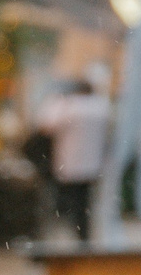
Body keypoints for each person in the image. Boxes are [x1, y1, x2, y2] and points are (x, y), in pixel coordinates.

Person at [33, 69, 112, 241]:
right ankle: (84, 234)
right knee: (85, 203)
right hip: (92, 164)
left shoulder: (68, 107)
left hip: (69, 162)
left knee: (69, 202)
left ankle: (71, 234)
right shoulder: (100, 108)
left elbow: (45, 125)